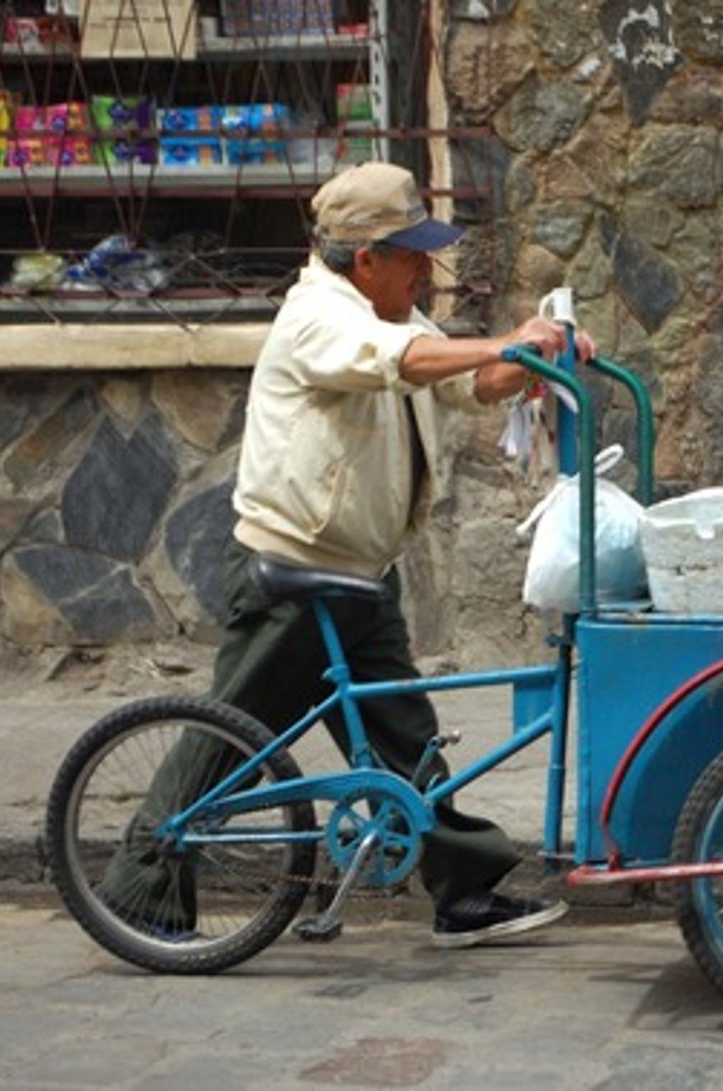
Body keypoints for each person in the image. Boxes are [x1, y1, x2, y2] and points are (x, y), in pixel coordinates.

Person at [98, 161, 588, 948]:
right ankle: (139, 889)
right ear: (366, 259)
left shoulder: (393, 316)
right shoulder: (320, 318)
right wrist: (506, 337)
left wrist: (543, 354)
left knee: (407, 736)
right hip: (295, 575)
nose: (426, 269)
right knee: (229, 736)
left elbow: (472, 383)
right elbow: (400, 362)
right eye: (413, 254)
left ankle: (461, 890)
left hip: (360, 573)